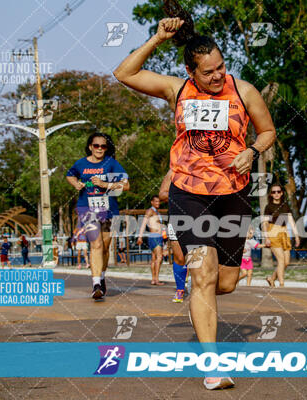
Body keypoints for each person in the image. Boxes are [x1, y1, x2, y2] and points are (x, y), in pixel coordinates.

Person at [113, 5, 276, 388]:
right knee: (202, 271)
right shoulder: (177, 89)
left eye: (221, 66)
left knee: (225, 282)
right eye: (209, 71)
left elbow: (268, 132)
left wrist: (251, 152)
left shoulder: (243, 90)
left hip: (233, 194)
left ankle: (197, 300)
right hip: (189, 192)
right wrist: (158, 38)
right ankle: (213, 365)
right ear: (191, 73)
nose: (218, 75)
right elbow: (124, 73)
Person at [66, 132, 129, 300]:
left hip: (109, 209)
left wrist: (105, 184)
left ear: (106, 148)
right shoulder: (81, 164)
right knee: (96, 244)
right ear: (90, 147)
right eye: (96, 146)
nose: (99, 149)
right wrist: (76, 184)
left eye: (103, 146)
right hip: (87, 208)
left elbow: (126, 185)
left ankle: (101, 276)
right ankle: (96, 285)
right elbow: (69, 175)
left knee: (106, 247)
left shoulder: (112, 164)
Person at [262, 184, 300, 288]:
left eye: (278, 191)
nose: (276, 194)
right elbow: (265, 223)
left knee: (286, 262)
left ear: (282, 193)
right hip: (273, 232)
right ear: (271, 194)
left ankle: (272, 278)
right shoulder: (268, 207)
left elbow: (291, 221)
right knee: (281, 260)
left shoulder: (285, 205)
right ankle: (282, 284)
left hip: (284, 233)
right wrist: (266, 238)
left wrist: (296, 235)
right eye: (274, 192)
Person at [159, 169, 188, 303]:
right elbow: (162, 195)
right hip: (177, 218)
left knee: (197, 256)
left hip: (200, 218)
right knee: (179, 257)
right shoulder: (174, 171)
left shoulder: (203, 167)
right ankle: (180, 289)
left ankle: (198, 286)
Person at [137, 196, 165, 285]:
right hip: (155, 237)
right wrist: (140, 237)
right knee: (159, 257)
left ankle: (153, 279)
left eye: (159, 201)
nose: (158, 203)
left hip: (157, 236)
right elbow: (144, 223)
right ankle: (156, 279)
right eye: (156, 201)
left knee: (154, 258)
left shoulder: (156, 212)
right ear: (152, 202)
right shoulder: (150, 211)